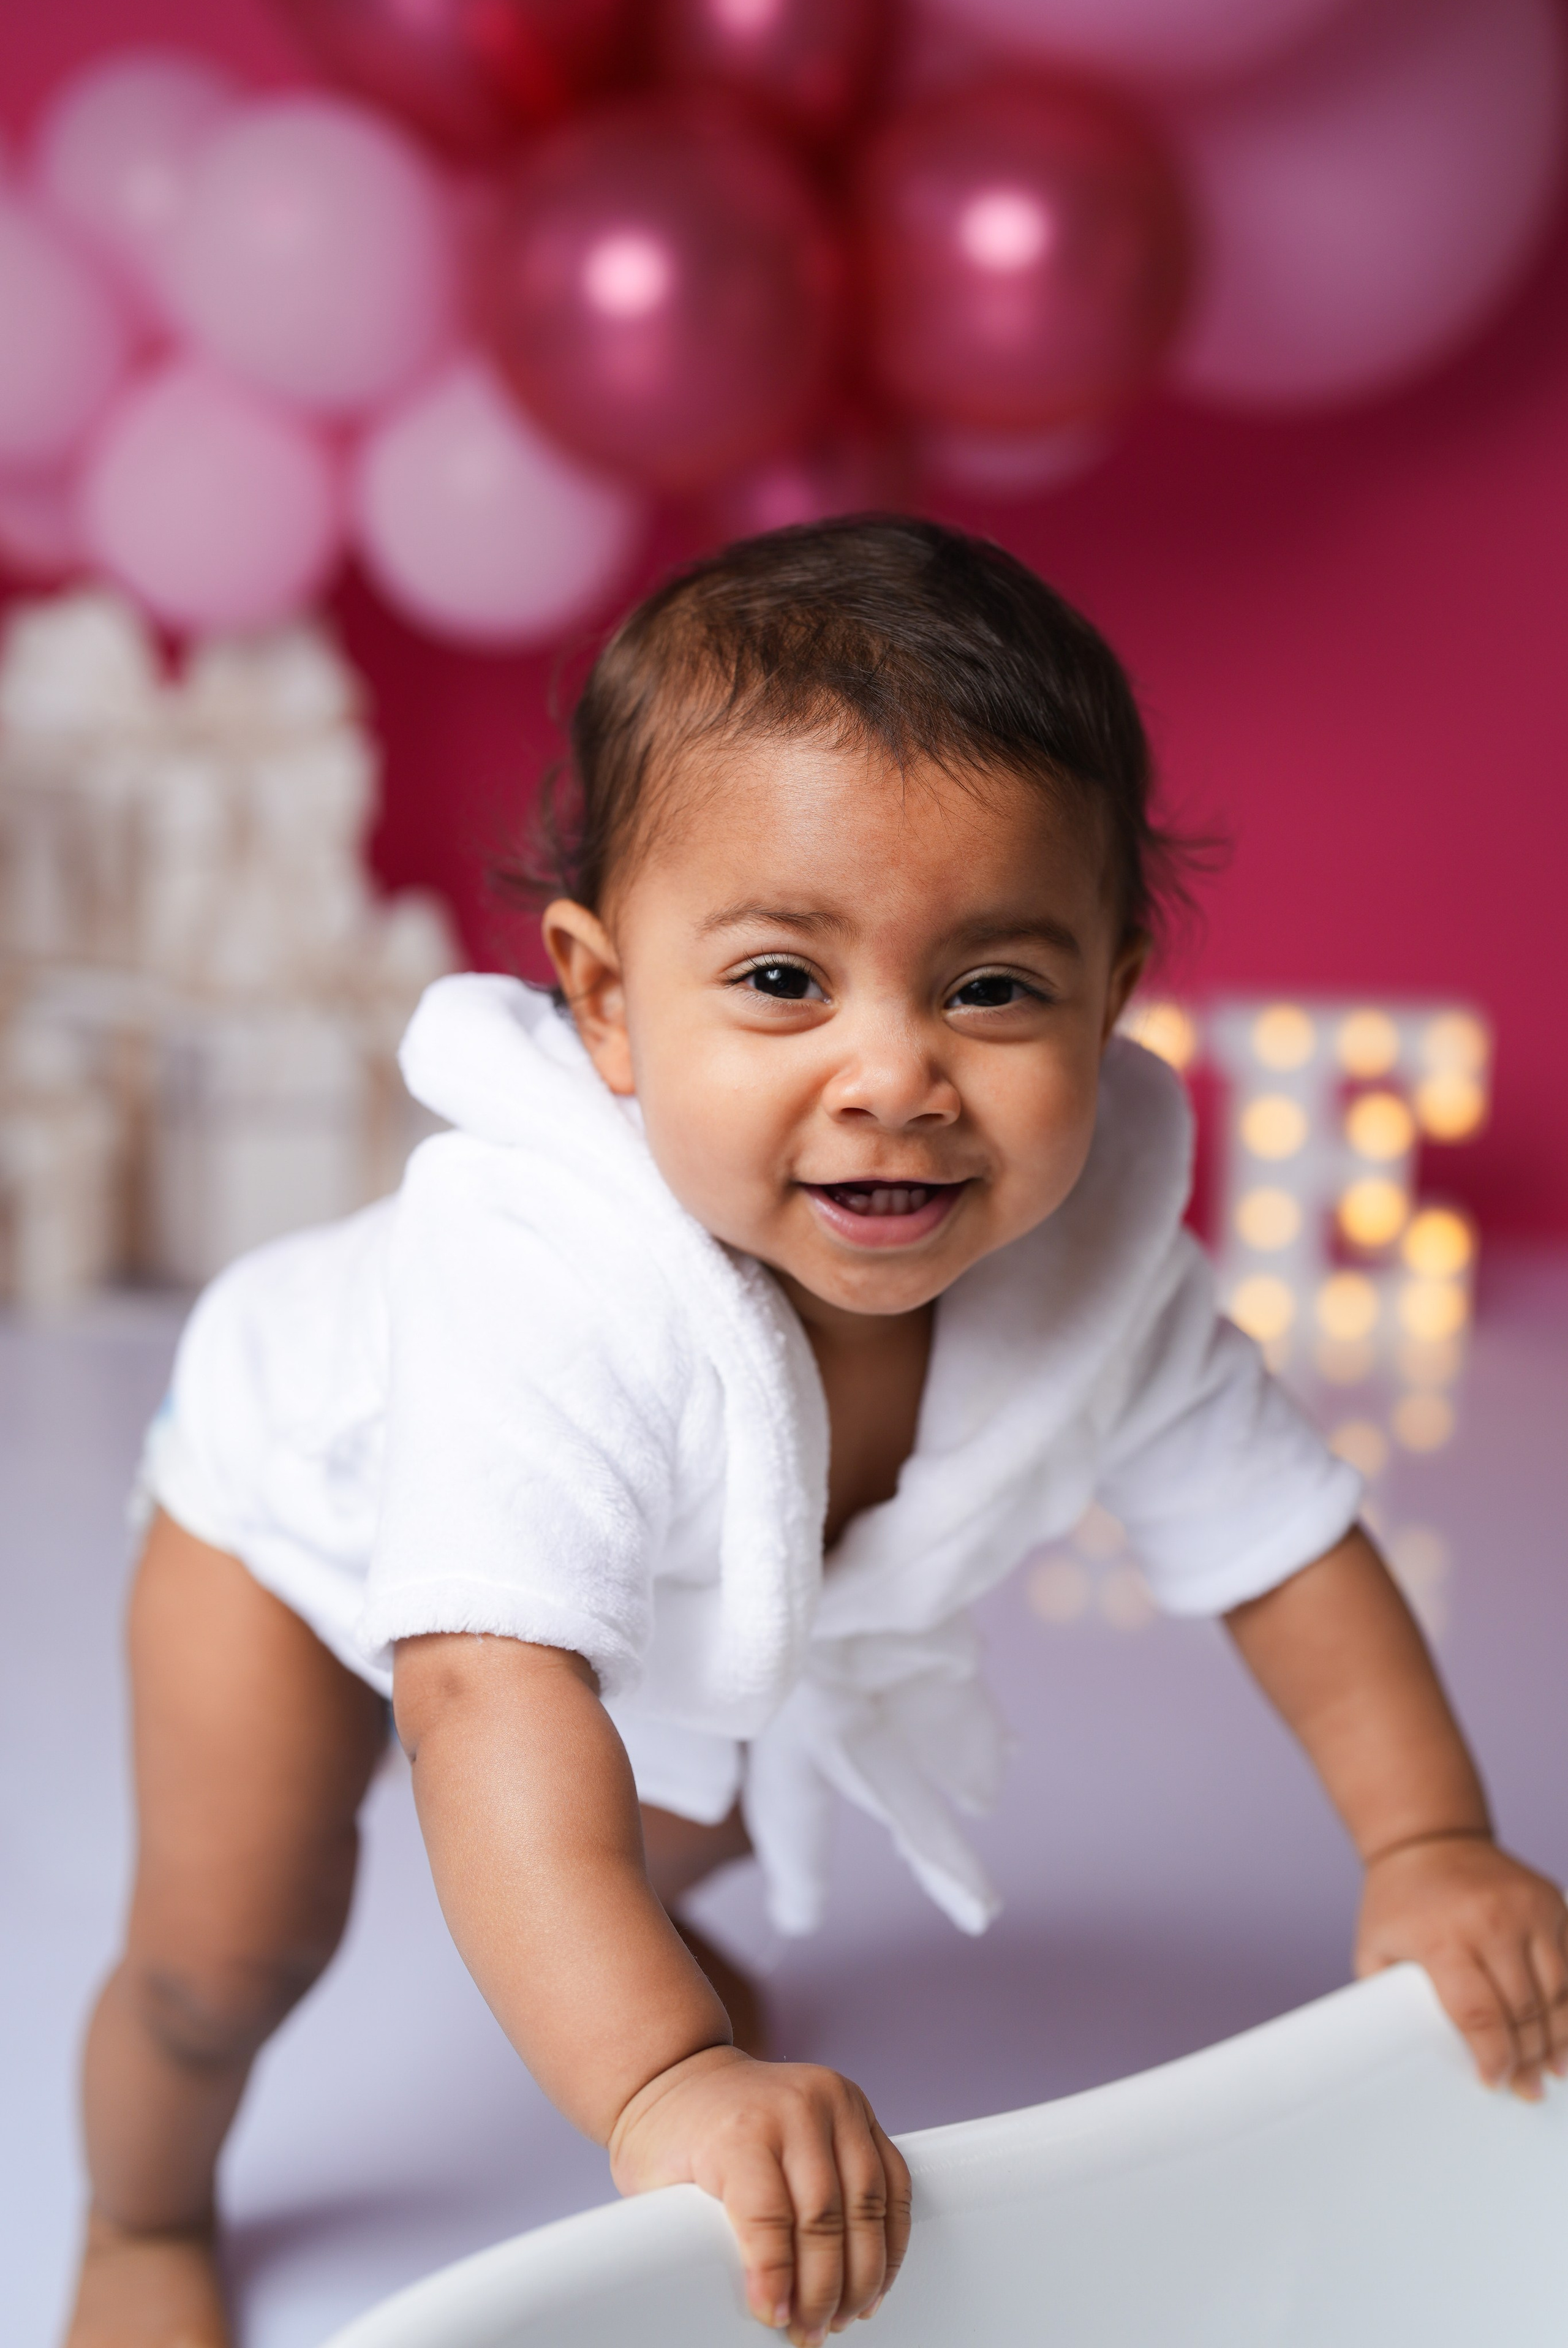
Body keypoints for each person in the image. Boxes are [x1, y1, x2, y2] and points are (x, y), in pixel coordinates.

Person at [68, 518, 1567, 2348]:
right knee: (234, 1948)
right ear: (607, 1002)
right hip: (297, 1523)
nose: (894, 1077)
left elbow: (1291, 1548)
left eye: (993, 988)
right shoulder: (545, 1272)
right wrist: (662, 2078)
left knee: (651, 1842)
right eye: (784, 980)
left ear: (1110, 1004)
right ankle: (141, 2217)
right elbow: (486, 1693)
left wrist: (1429, 1844)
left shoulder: (1091, 1273)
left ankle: (618, 1942)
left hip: (666, 1598)